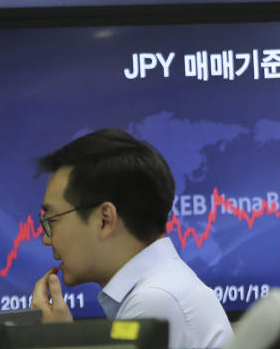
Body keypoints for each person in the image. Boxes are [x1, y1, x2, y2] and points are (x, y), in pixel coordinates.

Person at [30, 129, 233, 349]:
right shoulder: (158, 290)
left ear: (105, 219)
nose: (46, 239)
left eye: (52, 220)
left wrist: (58, 341)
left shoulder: (154, 302)